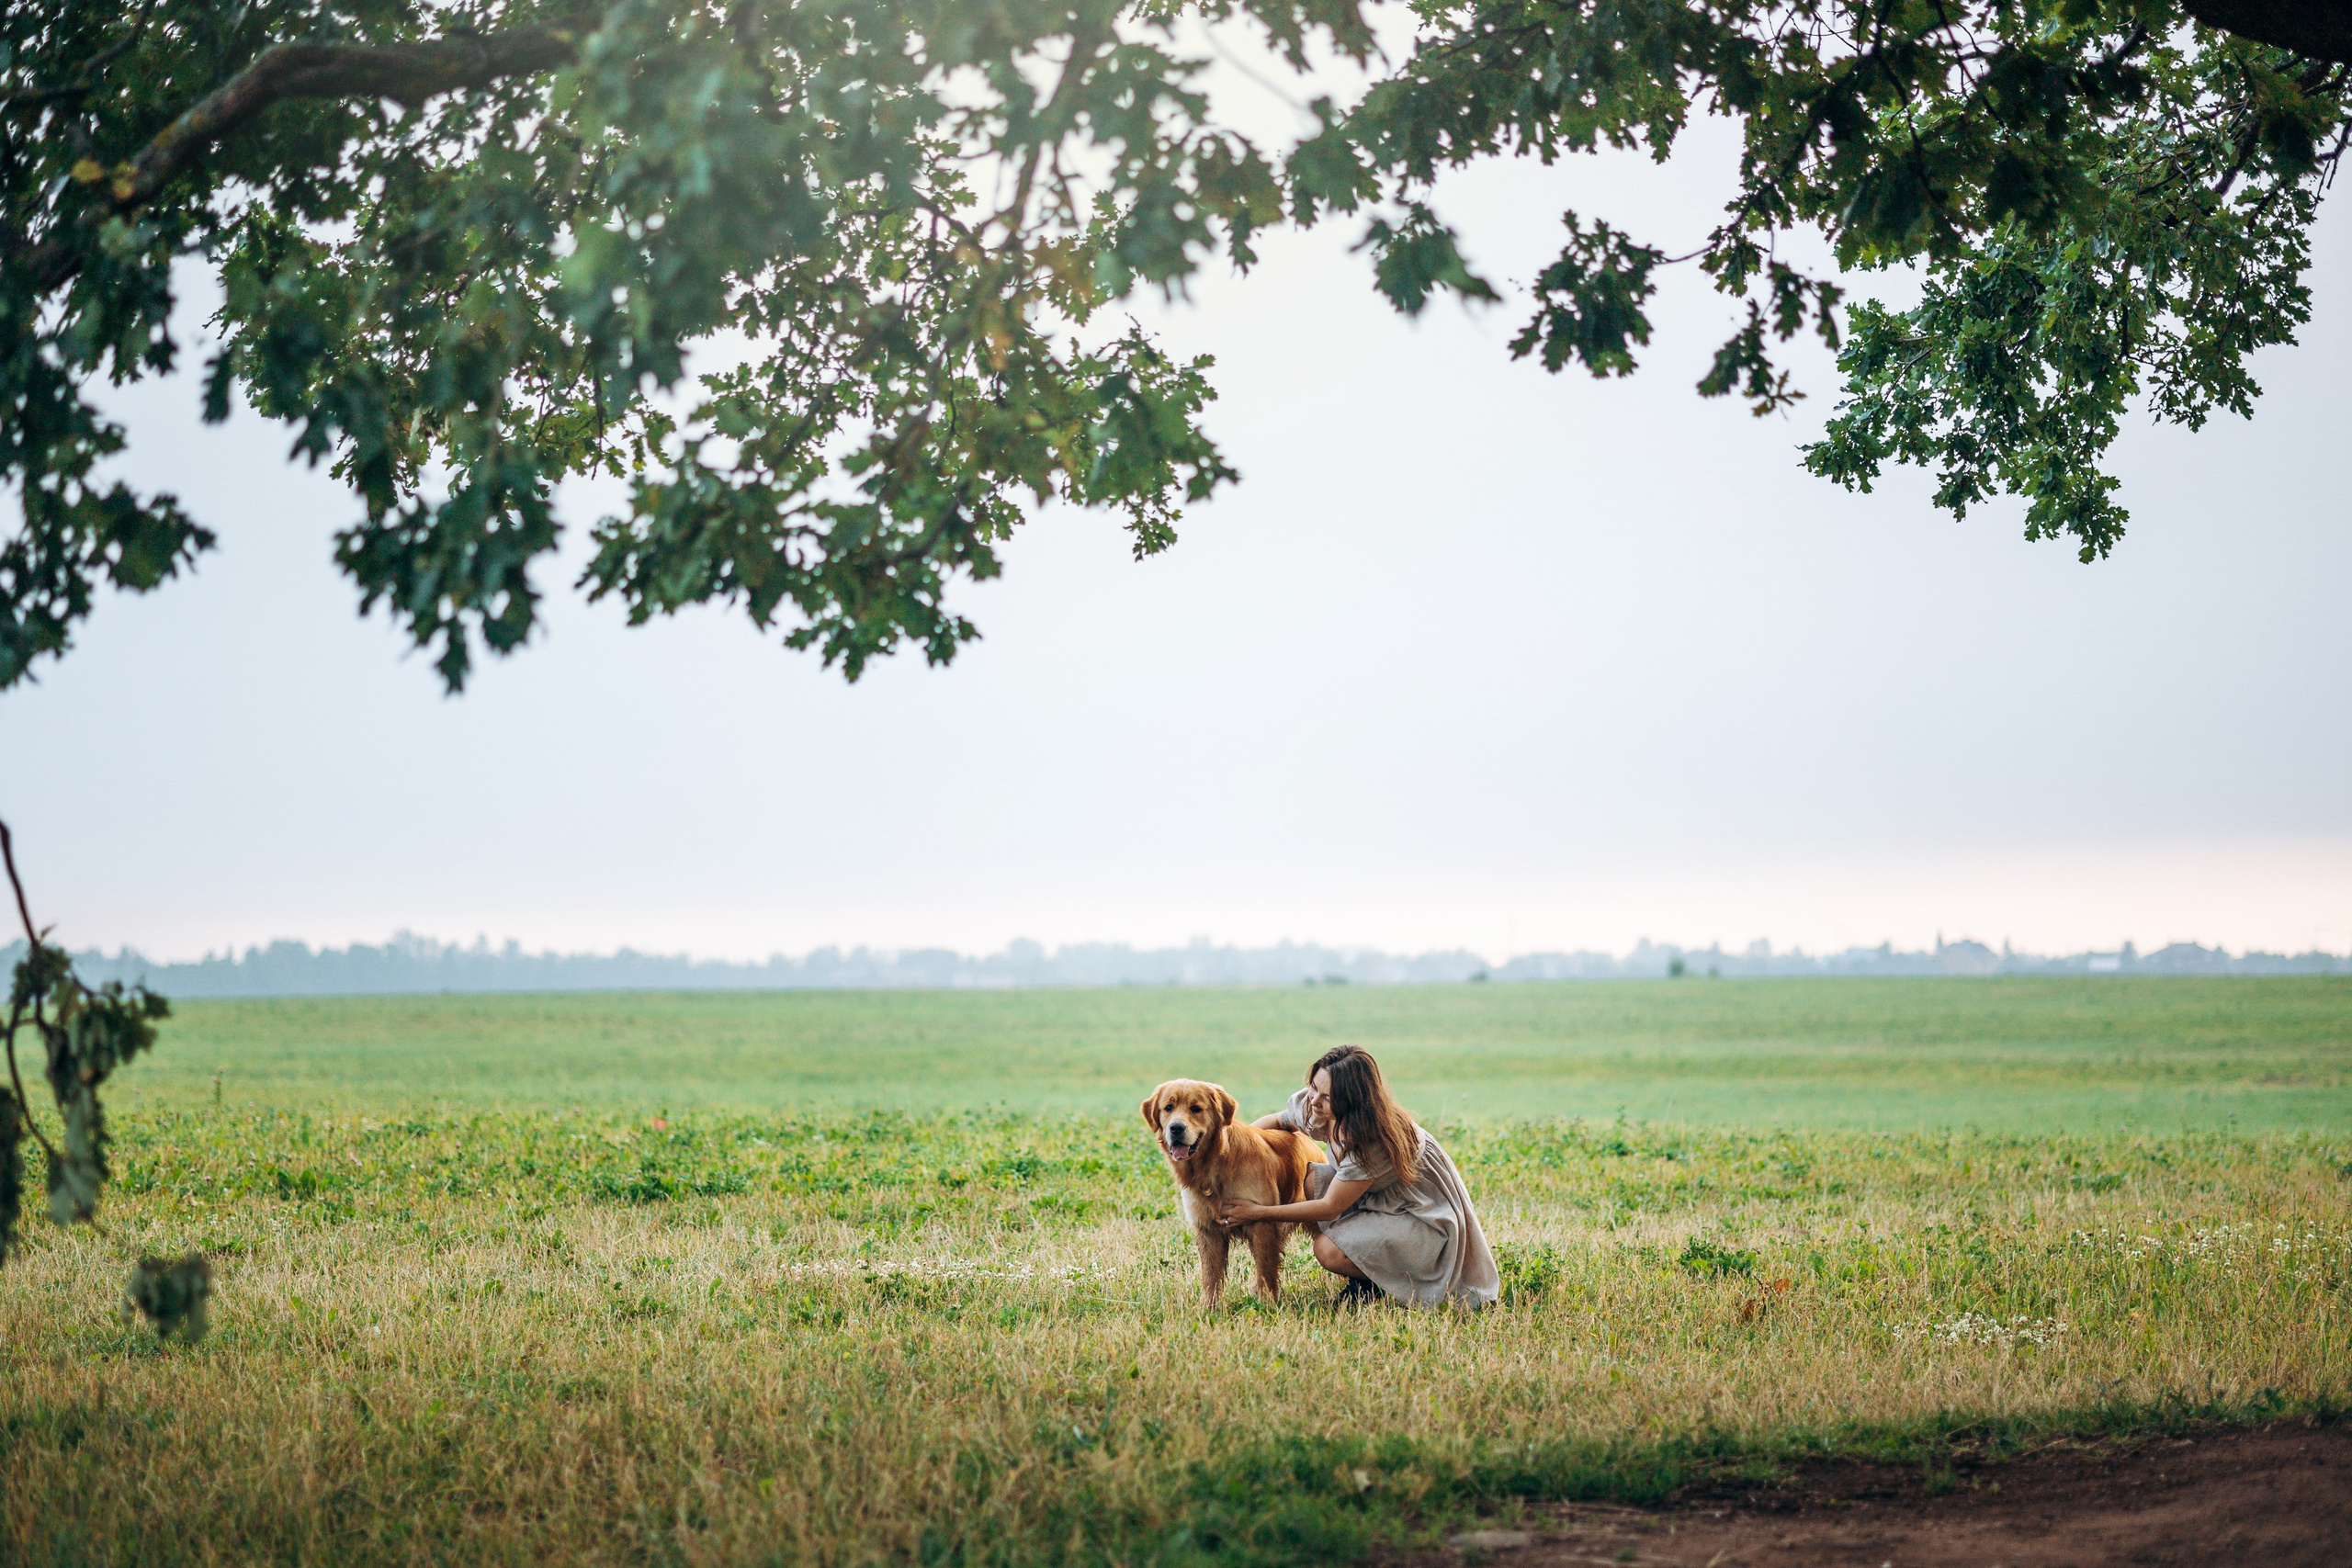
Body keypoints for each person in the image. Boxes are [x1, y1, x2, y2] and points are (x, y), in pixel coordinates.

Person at [1216, 1044, 1498, 1309]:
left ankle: (1374, 1285)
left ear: (1353, 1101)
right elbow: (1276, 1122)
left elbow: (1330, 1206)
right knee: (1310, 1180)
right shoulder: (1317, 1105)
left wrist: (1259, 1212)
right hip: (1376, 1193)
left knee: (1328, 1250)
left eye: (1327, 1097)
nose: (1314, 1100)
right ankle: (1371, 1264)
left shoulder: (1370, 1138)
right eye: (1314, 1087)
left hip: (1418, 1209)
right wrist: (1240, 1155)